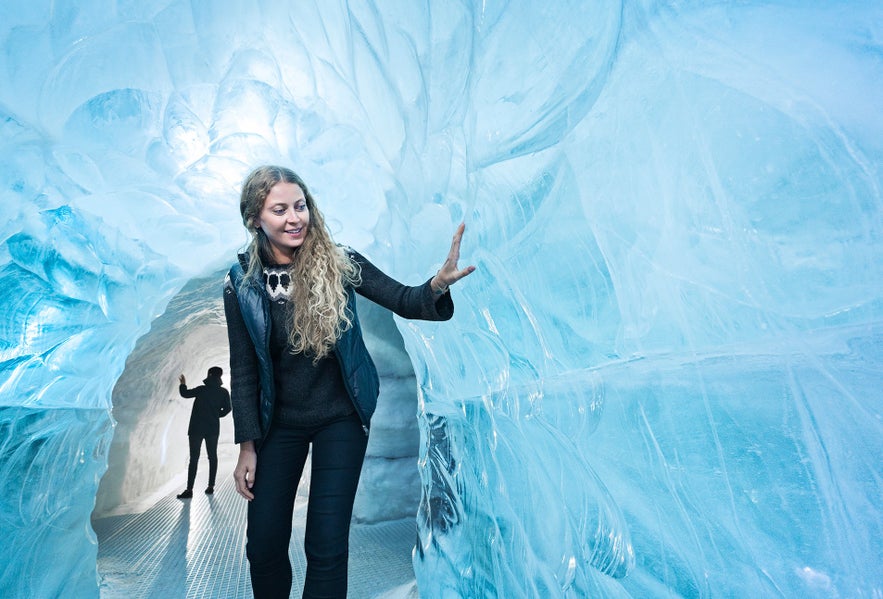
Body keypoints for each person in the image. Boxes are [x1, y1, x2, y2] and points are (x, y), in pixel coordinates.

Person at [224, 165, 475, 598]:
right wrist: (247, 445)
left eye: (300, 206)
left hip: (340, 417)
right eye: (280, 209)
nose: (295, 218)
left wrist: (436, 285)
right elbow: (244, 368)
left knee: (325, 545)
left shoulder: (341, 262)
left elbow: (404, 299)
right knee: (262, 544)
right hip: (278, 423)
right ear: (255, 219)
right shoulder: (241, 283)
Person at [176, 366, 232, 499]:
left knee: (194, 458)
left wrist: (183, 384)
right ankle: (211, 486)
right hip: (212, 428)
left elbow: (185, 394)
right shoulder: (223, 392)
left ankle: (189, 490)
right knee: (212, 457)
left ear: (209, 375)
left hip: (196, 428)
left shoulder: (202, 389)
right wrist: (216, 415)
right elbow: (228, 408)